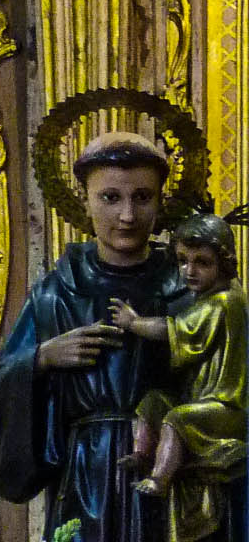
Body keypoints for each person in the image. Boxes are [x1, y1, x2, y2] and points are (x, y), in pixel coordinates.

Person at [0, 132, 189, 542]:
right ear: (84, 199)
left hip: (172, 470)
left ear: (159, 201)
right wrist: (42, 358)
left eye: (142, 197)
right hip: (87, 473)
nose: (128, 215)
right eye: (110, 198)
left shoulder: (185, 288)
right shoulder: (56, 293)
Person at [113, 212, 246, 542]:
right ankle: (143, 454)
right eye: (183, 261)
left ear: (225, 264)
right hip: (205, 401)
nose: (189, 271)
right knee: (154, 402)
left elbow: (173, 331)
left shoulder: (225, 302)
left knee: (177, 417)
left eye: (202, 262)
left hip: (227, 409)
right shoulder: (209, 298)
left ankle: (158, 479)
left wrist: (133, 323)